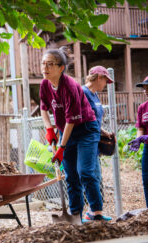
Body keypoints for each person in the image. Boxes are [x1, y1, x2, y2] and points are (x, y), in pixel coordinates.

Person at [39, 47, 108, 221]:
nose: (45, 68)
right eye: (43, 64)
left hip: (85, 129)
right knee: (70, 175)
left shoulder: (70, 86)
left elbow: (71, 120)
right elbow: (43, 109)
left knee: (85, 171)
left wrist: (62, 147)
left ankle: (96, 212)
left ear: (61, 68)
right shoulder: (45, 84)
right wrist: (49, 129)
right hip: (66, 130)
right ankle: (75, 214)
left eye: (50, 64)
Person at [82, 66, 115, 222]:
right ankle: (92, 212)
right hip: (85, 142)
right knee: (90, 177)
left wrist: (104, 133)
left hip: (95, 142)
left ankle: (94, 211)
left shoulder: (95, 96)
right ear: (99, 77)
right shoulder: (84, 93)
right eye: (106, 80)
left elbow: (95, 120)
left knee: (96, 177)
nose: (106, 84)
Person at [128, 75, 148, 208]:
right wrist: (138, 138)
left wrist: (146, 137)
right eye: (144, 88)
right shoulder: (143, 107)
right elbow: (140, 127)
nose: (145, 91)